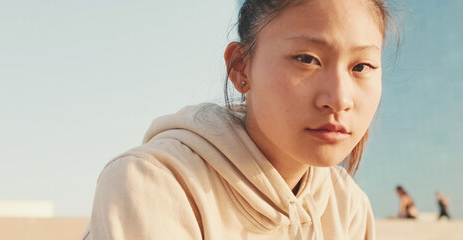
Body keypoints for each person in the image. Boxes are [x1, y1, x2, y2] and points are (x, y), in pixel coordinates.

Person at [82, 0, 391, 239]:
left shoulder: (347, 205)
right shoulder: (154, 185)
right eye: (306, 59)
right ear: (242, 68)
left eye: (362, 66)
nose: (338, 99)